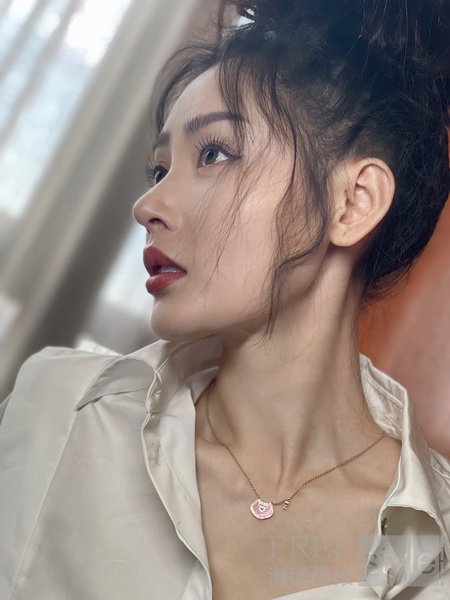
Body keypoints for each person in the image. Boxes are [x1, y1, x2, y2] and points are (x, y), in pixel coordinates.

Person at [1, 0, 449, 598]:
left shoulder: (433, 551)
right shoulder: (58, 412)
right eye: (159, 171)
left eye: (214, 154)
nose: (147, 206)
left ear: (353, 203)